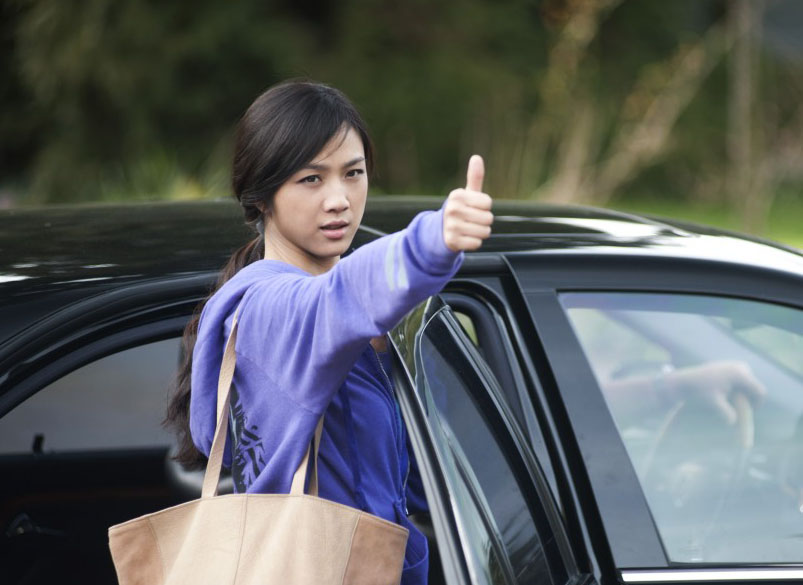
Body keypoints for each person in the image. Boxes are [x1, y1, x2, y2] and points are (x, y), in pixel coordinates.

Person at [165, 79, 494, 584]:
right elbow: (335, 299)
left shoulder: (350, 310)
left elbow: (421, 479)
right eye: (311, 179)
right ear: (262, 196)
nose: (339, 199)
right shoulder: (269, 310)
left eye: (353, 173)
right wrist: (433, 240)